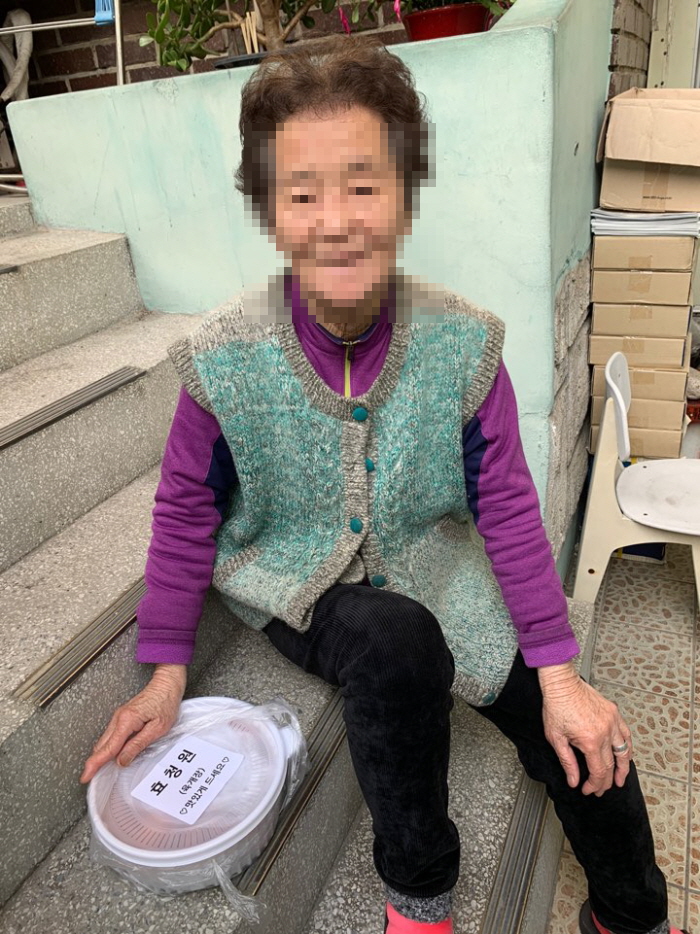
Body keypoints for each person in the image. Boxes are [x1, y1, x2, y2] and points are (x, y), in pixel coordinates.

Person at [80, 36, 688, 934]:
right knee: (396, 643)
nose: (335, 221)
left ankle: (632, 917)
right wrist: (165, 672)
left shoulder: (465, 343)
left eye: (364, 186)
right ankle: (421, 900)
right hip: (298, 579)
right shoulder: (222, 358)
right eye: (301, 193)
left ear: (404, 198)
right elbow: (184, 510)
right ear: (270, 211)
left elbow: (507, 507)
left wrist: (559, 672)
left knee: (589, 733)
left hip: (438, 564)